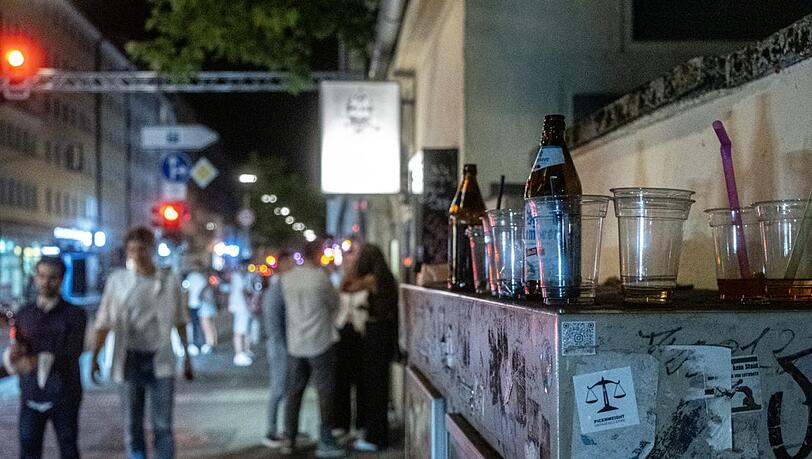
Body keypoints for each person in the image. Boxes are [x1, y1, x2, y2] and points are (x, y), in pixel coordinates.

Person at [91, 227, 193, 459]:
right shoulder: (118, 281)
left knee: (163, 425)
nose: (136, 255)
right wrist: (95, 356)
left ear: (152, 250)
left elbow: (180, 320)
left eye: (142, 249)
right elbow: (103, 321)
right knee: (132, 424)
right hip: (129, 359)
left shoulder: (168, 280)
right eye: (132, 250)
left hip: (160, 357)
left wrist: (187, 357)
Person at [2, 257, 87, 459]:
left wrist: (36, 361)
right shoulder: (25, 313)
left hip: (64, 394)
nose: (45, 282)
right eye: (41, 276)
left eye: (52, 277)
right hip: (30, 393)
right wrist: (15, 354)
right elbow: (18, 345)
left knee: (68, 447)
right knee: (28, 449)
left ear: (61, 279)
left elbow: (73, 351)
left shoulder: (75, 314)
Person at [281, 240, 344, 457]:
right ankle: (325, 439)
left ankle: (289, 437)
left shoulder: (287, 278)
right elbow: (335, 303)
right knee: (325, 392)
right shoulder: (320, 278)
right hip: (320, 341)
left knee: (294, 392)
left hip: (295, 343)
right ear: (316, 254)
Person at [339, 244, 398, 452]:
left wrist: (349, 273)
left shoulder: (374, 279)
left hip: (376, 335)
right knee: (377, 387)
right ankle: (374, 433)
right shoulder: (386, 278)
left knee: (375, 388)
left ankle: (376, 437)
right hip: (383, 334)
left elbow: (348, 287)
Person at [260, 250, 292, 448]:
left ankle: (282, 429)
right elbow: (275, 324)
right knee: (279, 388)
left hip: (280, 343)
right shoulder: (278, 289)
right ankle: (270, 431)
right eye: (289, 263)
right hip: (279, 345)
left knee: (284, 388)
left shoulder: (279, 287)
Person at [229, 267, 253, 366]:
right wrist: (249, 303)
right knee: (239, 331)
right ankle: (239, 353)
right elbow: (244, 291)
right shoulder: (239, 277)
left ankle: (243, 350)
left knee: (244, 330)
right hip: (241, 307)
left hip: (241, 307)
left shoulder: (240, 277)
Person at [183, 265, 208, 355]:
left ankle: (196, 344)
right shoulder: (200, 277)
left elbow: (185, 290)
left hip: (193, 304)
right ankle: (202, 343)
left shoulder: (191, 277)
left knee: (195, 325)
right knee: (199, 325)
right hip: (199, 304)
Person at [197, 270, 218, 353]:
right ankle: (213, 342)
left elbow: (200, 296)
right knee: (212, 327)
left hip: (205, 310)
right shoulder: (213, 286)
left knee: (207, 328)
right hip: (212, 309)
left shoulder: (206, 286)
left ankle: (210, 344)